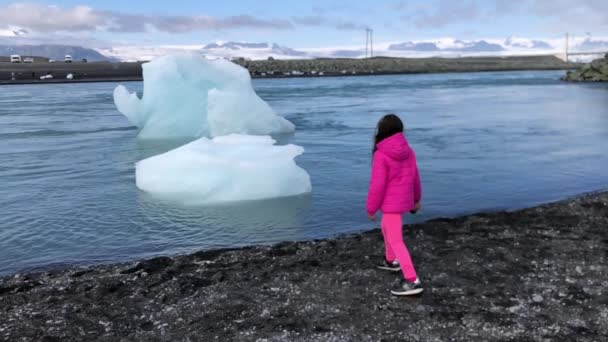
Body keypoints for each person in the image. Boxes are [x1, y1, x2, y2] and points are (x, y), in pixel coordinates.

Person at [366, 114, 423, 296]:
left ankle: (412, 280)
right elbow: (415, 177)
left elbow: (377, 185)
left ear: (382, 131)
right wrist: (416, 200)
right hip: (402, 200)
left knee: (397, 240)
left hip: (391, 204)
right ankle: (391, 261)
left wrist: (371, 208)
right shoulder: (409, 151)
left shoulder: (381, 154)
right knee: (386, 228)